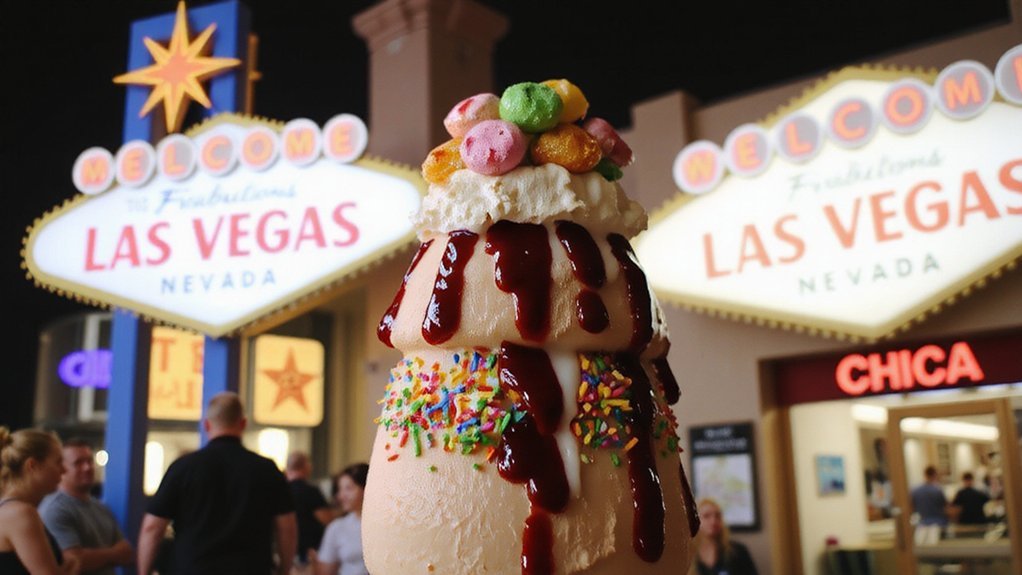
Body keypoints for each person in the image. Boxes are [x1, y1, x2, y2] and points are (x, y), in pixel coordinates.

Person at [136, 392, 297, 575]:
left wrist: (144, 572)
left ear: (206, 425)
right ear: (243, 423)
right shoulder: (267, 470)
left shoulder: (184, 468)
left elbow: (152, 528)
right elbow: (287, 527)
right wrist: (284, 570)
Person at [39, 438, 131, 575]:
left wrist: (92, 556)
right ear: (62, 468)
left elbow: (127, 553)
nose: (87, 467)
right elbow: (74, 560)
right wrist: (113, 554)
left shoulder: (100, 507)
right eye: (78, 463)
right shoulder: (55, 509)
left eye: (89, 461)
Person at [0, 427, 77, 575]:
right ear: (32, 465)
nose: (64, 470)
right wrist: (71, 566)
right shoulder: (20, 513)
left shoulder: (12, 510)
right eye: (58, 462)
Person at [315, 464, 369, 575]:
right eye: (340, 489)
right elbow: (325, 571)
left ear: (367, 488)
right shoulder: (337, 528)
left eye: (348, 488)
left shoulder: (388, 526)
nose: (341, 496)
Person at [285, 452, 334, 572]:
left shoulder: (279, 492)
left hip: (284, 552)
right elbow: (327, 519)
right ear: (306, 466)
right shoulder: (310, 492)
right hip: (308, 554)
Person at [689, 498, 758, 575]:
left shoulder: (738, 551)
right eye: (706, 516)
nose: (713, 521)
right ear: (695, 521)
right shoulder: (688, 555)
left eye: (717, 516)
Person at [910, 465, 948, 545]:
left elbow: (913, 507)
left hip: (922, 523)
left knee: (921, 546)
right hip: (938, 523)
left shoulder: (915, 490)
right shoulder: (937, 490)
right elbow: (944, 507)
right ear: (935, 475)